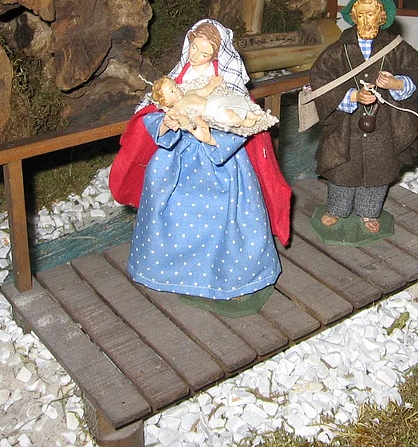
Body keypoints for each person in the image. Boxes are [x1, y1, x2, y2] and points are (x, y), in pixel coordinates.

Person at [109, 19, 290, 316]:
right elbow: (151, 114)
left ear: (216, 55)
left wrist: (211, 138)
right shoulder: (175, 81)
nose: (195, 56)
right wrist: (165, 124)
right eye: (193, 48)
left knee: (228, 220)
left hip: (221, 166)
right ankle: (176, 274)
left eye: (204, 53)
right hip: (177, 161)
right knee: (170, 215)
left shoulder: (227, 84)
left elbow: (242, 125)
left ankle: (231, 281)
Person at [309, 0, 418, 234]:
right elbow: (320, 79)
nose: (365, 20)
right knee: (342, 166)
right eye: (360, 15)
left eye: (370, 14)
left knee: (378, 168)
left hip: (384, 124)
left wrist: (396, 83)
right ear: (353, 17)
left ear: (382, 17)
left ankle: (369, 211)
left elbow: (416, 69)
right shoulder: (338, 50)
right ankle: (337, 209)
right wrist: (352, 96)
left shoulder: (396, 48)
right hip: (346, 124)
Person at [150, 75, 267, 133]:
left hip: (214, 100)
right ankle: (242, 122)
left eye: (176, 86)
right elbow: (186, 123)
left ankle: (250, 114)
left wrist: (213, 84)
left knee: (235, 101)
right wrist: (178, 118)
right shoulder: (178, 110)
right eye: (172, 91)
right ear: (166, 101)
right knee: (227, 115)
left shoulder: (189, 93)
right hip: (210, 113)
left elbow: (205, 91)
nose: (177, 90)